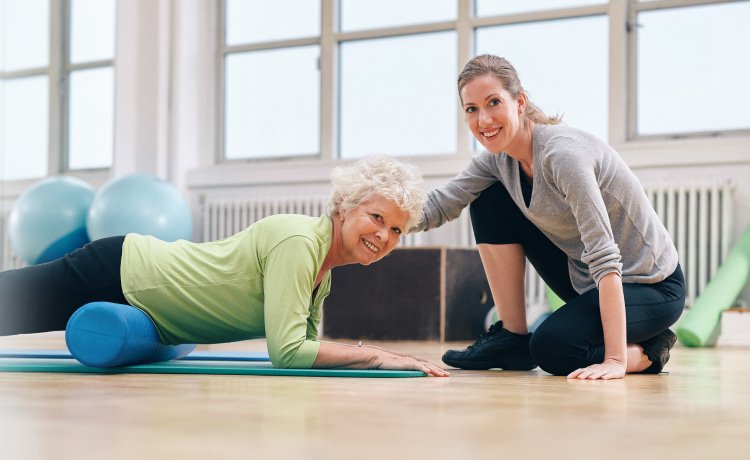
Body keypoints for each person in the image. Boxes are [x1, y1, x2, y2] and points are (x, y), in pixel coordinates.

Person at [0, 156, 449, 377]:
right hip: (123, 271)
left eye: (396, 230)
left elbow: (307, 349)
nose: (384, 237)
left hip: (139, 293)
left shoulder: (321, 272)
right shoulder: (298, 242)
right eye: (377, 218)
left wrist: (376, 358)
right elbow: (288, 353)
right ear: (346, 206)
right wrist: (378, 355)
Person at [414, 55, 685, 380]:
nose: (483, 119)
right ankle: (512, 338)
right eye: (472, 109)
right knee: (487, 198)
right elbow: (441, 204)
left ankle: (650, 350)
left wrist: (615, 359)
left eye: (494, 102)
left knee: (553, 349)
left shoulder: (564, 156)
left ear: (520, 102)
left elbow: (604, 255)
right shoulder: (497, 161)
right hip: (587, 280)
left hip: (650, 285)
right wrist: (378, 223)